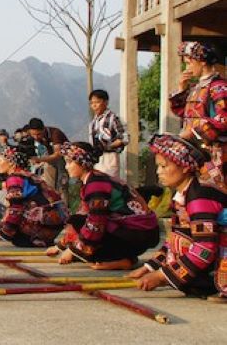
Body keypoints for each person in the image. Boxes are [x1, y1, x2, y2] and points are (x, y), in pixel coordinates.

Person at [130, 134, 226, 298]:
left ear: (184, 167)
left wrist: (162, 276)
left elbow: (205, 247)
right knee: (178, 240)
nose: (159, 172)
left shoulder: (199, 196)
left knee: (184, 244)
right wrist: (150, 268)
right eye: (158, 166)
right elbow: (172, 239)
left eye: (164, 166)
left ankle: (214, 281)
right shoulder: (184, 195)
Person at [47, 142, 159, 270]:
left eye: (70, 162)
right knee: (79, 221)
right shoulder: (95, 179)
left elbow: (96, 221)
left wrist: (73, 251)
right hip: (140, 234)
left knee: (85, 229)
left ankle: (122, 259)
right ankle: (125, 257)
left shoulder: (96, 185)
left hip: (136, 235)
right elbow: (83, 214)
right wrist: (61, 246)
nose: (67, 167)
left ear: (82, 163)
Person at [169, 41, 226, 191]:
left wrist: (193, 131)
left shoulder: (219, 87)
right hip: (199, 152)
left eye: (188, 63)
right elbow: (184, 113)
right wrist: (181, 89)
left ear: (201, 62)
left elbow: (224, 119)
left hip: (216, 153)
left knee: (215, 193)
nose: (187, 68)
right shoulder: (197, 88)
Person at [0, 142, 67, 248]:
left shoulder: (14, 178)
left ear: (11, 162)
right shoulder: (28, 175)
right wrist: (1, 226)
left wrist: (5, 232)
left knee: (17, 239)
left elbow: (16, 207)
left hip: (46, 221)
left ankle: (34, 238)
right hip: (57, 222)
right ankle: (41, 238)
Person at [88, 89, 128, 178]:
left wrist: (109, 146)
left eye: (97, 102)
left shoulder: (113, 118)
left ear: (105, 102)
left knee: (109, 182)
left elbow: (124, 138)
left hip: (110, 156)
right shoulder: (94, 122)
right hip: (97, 157)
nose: (94, 105)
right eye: (92, 103)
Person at [27, 118, 70, 193]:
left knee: (62, 186)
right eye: (33, 134)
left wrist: (39, 159)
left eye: (38, 134)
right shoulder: (36, 138)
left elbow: (58, 154)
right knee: (48, 185)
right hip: (51, 160)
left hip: (65, 159)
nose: (36, 137)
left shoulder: (55, 134)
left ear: (43, 129)